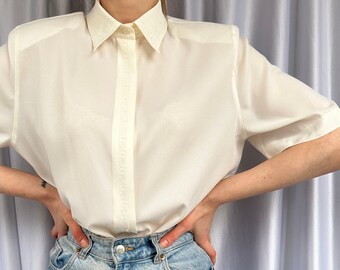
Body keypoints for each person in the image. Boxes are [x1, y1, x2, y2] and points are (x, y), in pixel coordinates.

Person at [0, 0, 339, 269]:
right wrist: (44, 192)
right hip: (80, 258)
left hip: (175, 260)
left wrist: (215, 196)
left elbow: (331, 141)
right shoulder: (31, 49)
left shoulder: (221, 51)